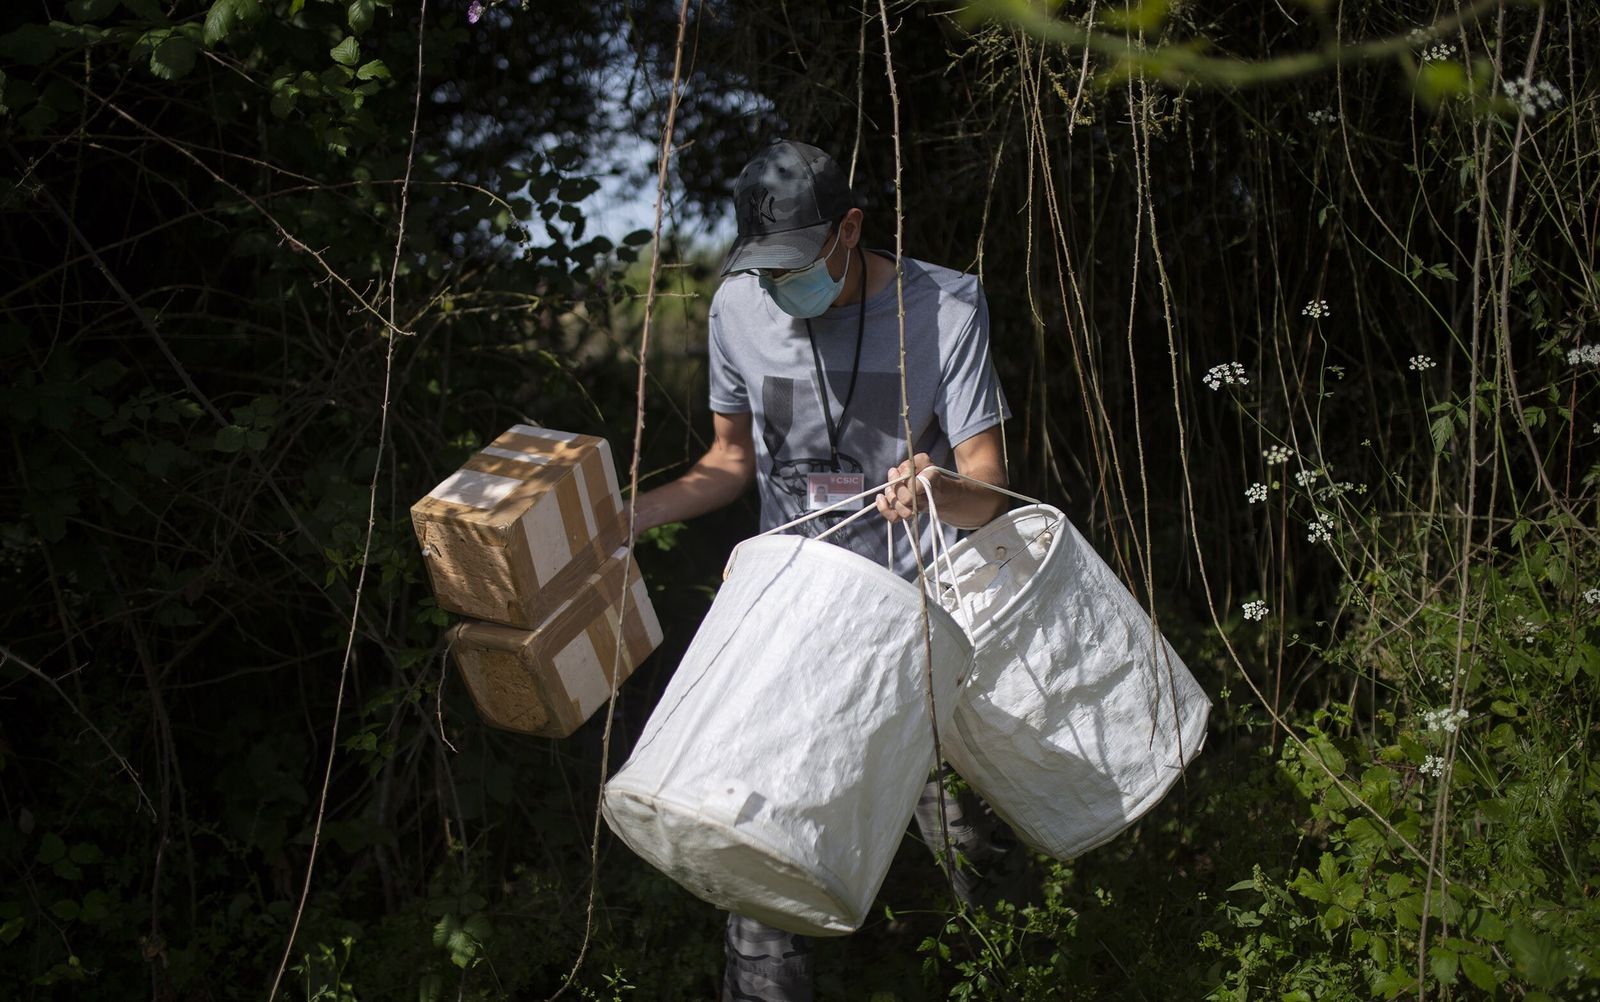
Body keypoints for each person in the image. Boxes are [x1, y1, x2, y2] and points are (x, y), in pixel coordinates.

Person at [630, 139, 1028, 1001]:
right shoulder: (737, 306)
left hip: (918, 620)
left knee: (968, 846)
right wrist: (629, 519)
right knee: (760, 851)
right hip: (790, 616)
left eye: (796, 265)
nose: (781, 288)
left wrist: (933, 486)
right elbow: (729, 461)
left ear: (851, 227)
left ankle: (1013, 975)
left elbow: (988, 489)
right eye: (765, 268)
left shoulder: (946, 307)